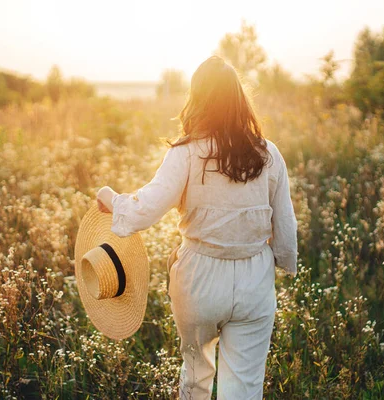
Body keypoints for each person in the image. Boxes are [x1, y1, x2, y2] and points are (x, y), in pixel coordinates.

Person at [96, 56, 298, 400]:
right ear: (239, 100)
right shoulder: (268, 154)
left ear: (197, 99)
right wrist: (283, 263)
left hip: (199, 278)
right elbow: (286, 224)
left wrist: (112, 200)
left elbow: (145, 210)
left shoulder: (187, 152)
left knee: (195, 377)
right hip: (254, 279)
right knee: (244, 388)